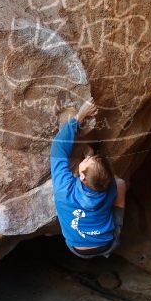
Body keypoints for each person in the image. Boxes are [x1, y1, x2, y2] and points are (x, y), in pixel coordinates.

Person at [50, 99, 126, 258]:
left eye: (84, 162)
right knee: (122, 183)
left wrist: (79, 116)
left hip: (77, 248)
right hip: (106, 244)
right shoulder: (111, 188)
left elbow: (58, 147)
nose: (83, 161)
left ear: (82, 177)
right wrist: (92, 158)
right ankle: (116, 236)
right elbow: (109, 179)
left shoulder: (64, 189)